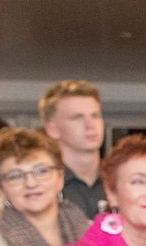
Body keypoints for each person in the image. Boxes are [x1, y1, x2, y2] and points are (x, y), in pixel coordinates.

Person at [40, 81, 108, 220]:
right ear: (53, 130)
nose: (90, 125)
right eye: (77, 117)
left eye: (95, 116)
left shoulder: (119, 180)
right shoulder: (42, 186)